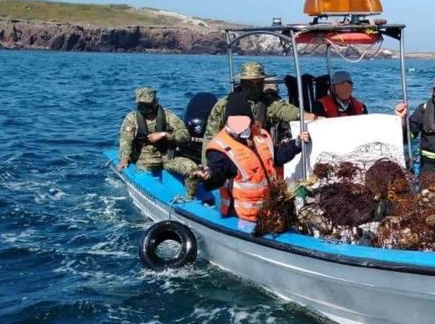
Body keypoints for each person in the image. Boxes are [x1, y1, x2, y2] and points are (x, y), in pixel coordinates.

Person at [194, 92, 309, 223]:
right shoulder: (220, 147)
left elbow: (276, 156)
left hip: (271, 210)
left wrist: (296, 144)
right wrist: (208, 176)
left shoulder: (260, 136)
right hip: (242, 217)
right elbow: (218, 173)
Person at [202, 62, 316, 163]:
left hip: (261, 152)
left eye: (258, 83)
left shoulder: (269, 101)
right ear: (242, 83)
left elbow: (283, 109)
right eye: (249, 84)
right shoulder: (224, 105)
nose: (254, 88)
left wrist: (302, 115)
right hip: (232, 156)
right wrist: (208, 167)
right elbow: (210, 138)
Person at [117, 87, 199, 197]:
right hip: (144, 160)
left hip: (167, 156)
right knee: (147, 176)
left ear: (155, 102)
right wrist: (124, 159)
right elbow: (125, 140)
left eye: (147, 105)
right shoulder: (132, 118)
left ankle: (190, 200)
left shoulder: (168, 116)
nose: (144, 109)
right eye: (141, 105)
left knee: (192, 169)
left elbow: (185, 135)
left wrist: (165, 135)